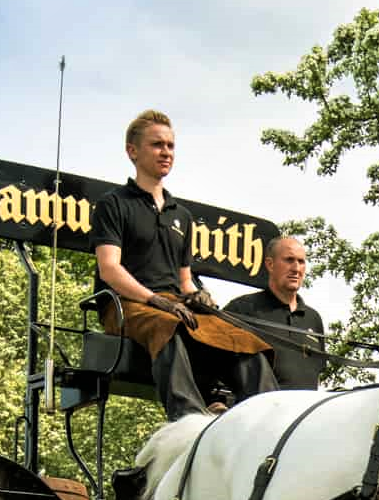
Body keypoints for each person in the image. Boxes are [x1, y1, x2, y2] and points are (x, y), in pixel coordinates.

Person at [89, 109, 278, 419]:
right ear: (132, 151)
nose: (166, 152)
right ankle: (189, 417)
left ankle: (267, 416)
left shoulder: (182, 215)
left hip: (174, 303)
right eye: (157, 145)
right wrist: (154, 299)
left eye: (170, 146)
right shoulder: (115, 203)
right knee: (170, 326)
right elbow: (110, 269)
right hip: (126, 305)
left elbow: (186, 281)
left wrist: (199, 296)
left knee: (243, 339)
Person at [221, 235, 329, 389]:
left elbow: (316, 375)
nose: (296, 269)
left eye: (301, 261)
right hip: (259, 411)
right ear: (270, 264)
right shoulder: (243, 308)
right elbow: (212, 362)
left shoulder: (313, 319)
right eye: (289, 260)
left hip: (304, 411)